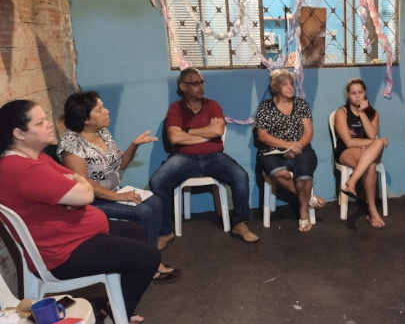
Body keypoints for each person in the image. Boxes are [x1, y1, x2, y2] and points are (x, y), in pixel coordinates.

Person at [0, 100, 159, 324]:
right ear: (19, 134)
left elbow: (76, 184)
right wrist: (78, 186)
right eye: (40, 123)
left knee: (135, 231)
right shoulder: (22, 169)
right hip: (62, 254)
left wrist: (76, 187)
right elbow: (85, 194)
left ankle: (116, 308)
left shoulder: (37, 159)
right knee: (148, 257)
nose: (49, 125)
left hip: (74, 235)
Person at [57, 91, 181, 283]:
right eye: (99, 109)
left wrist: (134, 145)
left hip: (113, 191)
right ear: (84, 118)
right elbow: (82, 183)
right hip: (94, 200)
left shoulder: (102, 132)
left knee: (155, 203)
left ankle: (151, 257)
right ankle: (149, 264)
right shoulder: (71, 143)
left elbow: (121, 164)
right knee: (143, 212)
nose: (106, 111)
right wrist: (119, 197)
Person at [149, 67, 259, 243]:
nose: (201, 87)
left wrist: (188, 131)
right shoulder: (175, 108)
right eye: (195, 83)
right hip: (183, 159)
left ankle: (240, 224)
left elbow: (217, 131)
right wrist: (204, 135)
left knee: (240, 175)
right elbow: (175, 138)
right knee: (157, 181)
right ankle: (165, 231)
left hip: (214, 157)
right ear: (183, 87)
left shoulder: (213, 105)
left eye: (202, 82)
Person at [254, 69, 325, 232]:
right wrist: (287, 145)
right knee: (279, 173)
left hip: (301, 149)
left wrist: (296, 147)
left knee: (305, 171)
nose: (290, 87)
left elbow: (309, 132)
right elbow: (262, 136)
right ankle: (309, 199)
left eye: (291, 84)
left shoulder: (301, 104)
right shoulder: (265, 107)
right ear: (275, 88)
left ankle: (303, 214)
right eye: (284, 84)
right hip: (272, 151)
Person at [334, 78, 388, 228]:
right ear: (348, 95)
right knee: (374, 155)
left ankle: (351, 182)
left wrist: (362, 113)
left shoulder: (373, 114)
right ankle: (372, 210)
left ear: (365, 93)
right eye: (353, 93)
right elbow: (349, 142)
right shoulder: (341, 112)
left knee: (376, 144)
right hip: (347, 151)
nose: (357, 96)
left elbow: (371, 135)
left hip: (368, 152)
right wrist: (376, 142)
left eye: (360, 92)